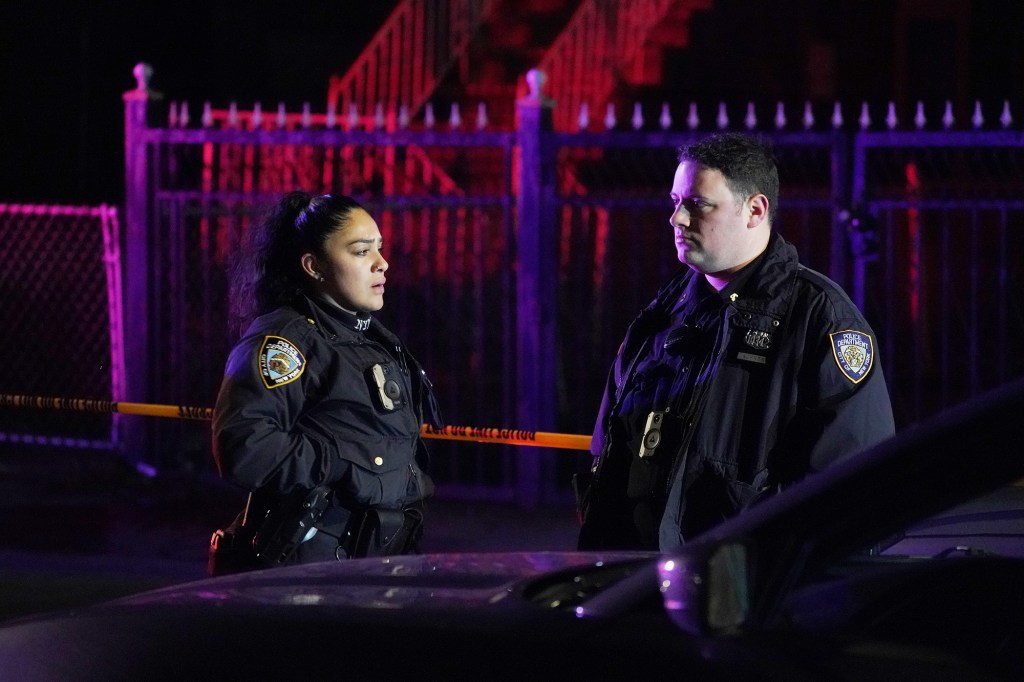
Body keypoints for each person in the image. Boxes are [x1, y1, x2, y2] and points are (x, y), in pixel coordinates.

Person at [577, 132, 895, 551]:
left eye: (697, 203)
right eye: (675, 202)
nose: (677, 219)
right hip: (637, 586)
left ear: (755, 210)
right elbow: (610, 452)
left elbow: (852, 494)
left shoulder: (819, 320)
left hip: (746, 596)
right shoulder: (663, 314)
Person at [209, 192, 442, 573]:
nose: (382, 264)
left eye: (379, 249)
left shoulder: (370, 339)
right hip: (307, 578)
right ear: (314, 266)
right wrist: (345, 460)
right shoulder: (286, 341)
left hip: (377, 566)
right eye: (361, 251)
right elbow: (245, 448)